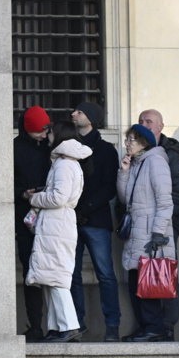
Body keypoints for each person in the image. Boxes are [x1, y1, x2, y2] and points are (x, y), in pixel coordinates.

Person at [25, 121, 92, 343]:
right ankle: (57, 327)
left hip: (57, 223)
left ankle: (69, 326)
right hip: (58, 223)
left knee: (56, 277)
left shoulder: (64, 164)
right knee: (51, 275)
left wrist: (34, 198)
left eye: (51, 133)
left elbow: (58, 198)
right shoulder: (67, 162)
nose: (48, 136)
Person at [115, 124, 175, 342]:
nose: (127, 144)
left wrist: (158, 233)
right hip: (136, 231)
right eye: (127, 139)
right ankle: (145, 327)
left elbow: (165, 202)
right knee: (136, 280)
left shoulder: (155, 161)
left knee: (149, 280)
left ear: (143, 143)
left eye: (131, 140)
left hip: (150, 234)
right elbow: (125, 198)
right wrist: (124, 172)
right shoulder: (137, 163)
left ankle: (155, 327)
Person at [133, 109, 179, 341]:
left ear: (160, 126)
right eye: (141, 121)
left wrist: (165, 226)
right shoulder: (137, 155)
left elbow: (174, 196)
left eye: (149, 121)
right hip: (139, 227)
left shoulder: (168, 156)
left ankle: (166, 326)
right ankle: (148, 326)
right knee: (142, 276)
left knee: (163, 275)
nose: (144, 125)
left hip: (162, 228)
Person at [69, 100, 120, 341]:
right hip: (71, 220)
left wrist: (86, 208)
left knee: (106, 274)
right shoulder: (68, 147)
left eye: (79, 112)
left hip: (96, 220)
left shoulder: (106, 150)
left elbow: (109, 187)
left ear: (90, 119)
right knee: (72, 275)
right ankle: (76, 325)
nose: (73, 114)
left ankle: (112, 325)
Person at [14, 106, 52, 342]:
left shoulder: (52, 146)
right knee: (31, 273)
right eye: (39, 131)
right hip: (26, 220)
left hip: (52, 219)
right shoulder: (15, 149)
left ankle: (62, 325)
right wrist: (23, 194)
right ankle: (36, 325)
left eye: (46, 130)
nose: (43, 135)